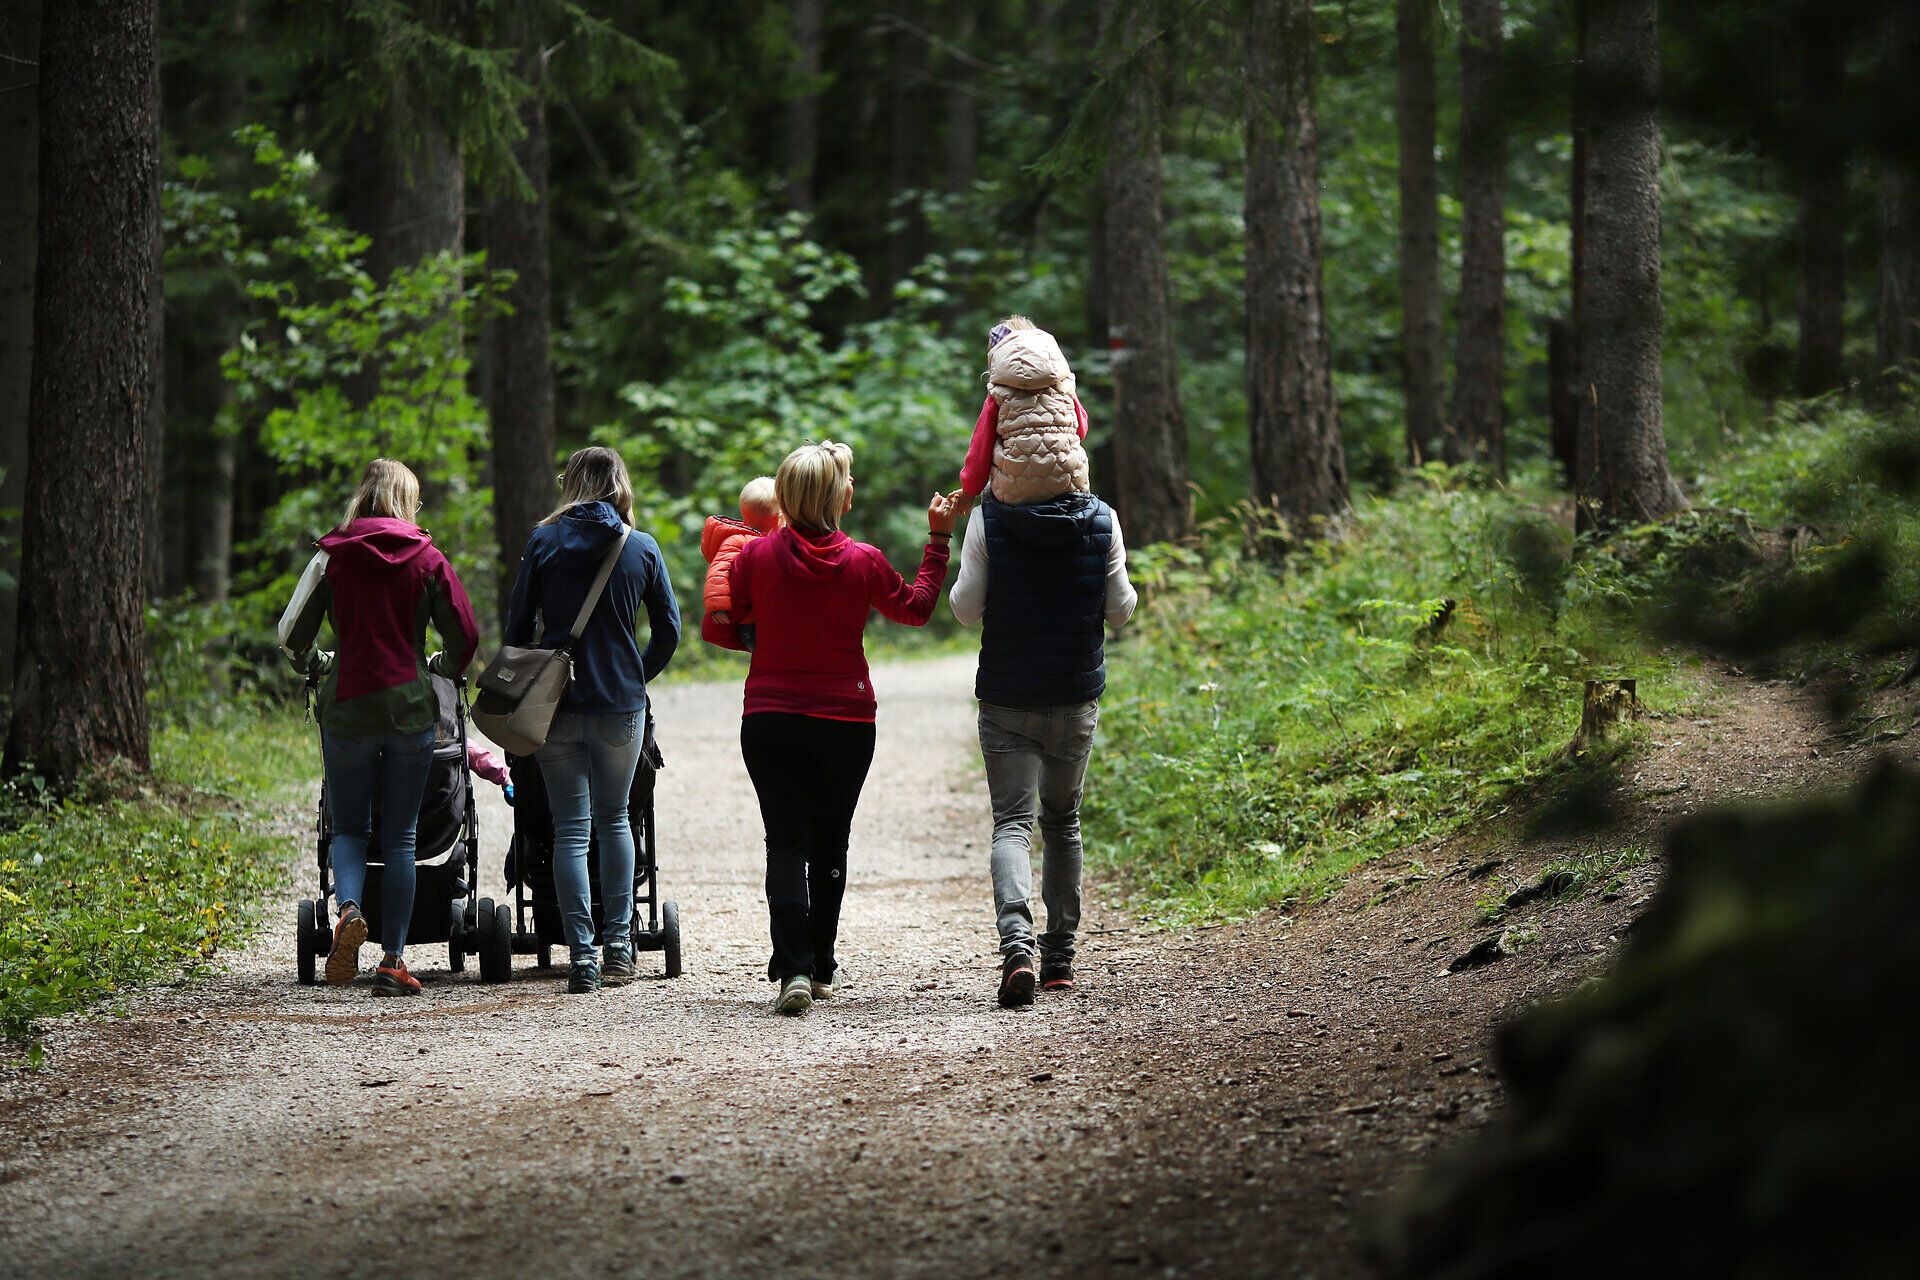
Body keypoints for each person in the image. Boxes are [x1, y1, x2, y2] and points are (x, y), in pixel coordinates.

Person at [709, 441, 957, 1016]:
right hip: (845, 721)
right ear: (839, 497)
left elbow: (727, 623)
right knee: (830, 843)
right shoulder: (864, 560)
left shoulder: (752, 558)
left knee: (785, 843)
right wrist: (938, 540)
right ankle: (820, 965)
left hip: (769, 717)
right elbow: (917, 609)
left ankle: (792, 968)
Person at [279, 458, 480, 997]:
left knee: (348, 828)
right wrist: (441, 666)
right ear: (406, 501)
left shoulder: (331, 556)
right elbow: (465, 633)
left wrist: (318, 663)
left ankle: (348, 911)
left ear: (363, 498)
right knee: (401, 838)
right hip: (410, 709)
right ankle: (392, 960)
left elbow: (291, 633)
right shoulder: (427, 557)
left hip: (347, 706)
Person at [947, 483, 1137, 1008]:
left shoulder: (989, 520)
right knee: (1062, 822)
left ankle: (1016, 948)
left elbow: (964, 609)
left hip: (1008, 697)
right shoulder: (1103, 518)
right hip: (1073, 698)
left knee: (1012, 823)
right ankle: (1059, 957)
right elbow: (1120, 610)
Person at [504, 447, 681, 994]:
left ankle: (582, 958)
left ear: (572, 485)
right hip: (619, 708)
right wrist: (634, 674)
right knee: (616, 822)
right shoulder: (640, 547)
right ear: (620, 485)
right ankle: (620, 950)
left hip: (555, 708)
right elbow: (669, 631)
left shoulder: (542, 542)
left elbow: (515, 630)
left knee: (570, 831)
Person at [956, 315, 1090, 508]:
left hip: (1013, 495)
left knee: (986, 512)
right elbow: (1081, 429)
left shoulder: (998, 394)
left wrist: (969, 491)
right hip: (1070, 485)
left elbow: (980, 450)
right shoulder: (1063, 385)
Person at [698, 475, 779, 645]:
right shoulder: (738, 540)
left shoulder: (761, 540)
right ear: (779, 518)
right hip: (751, 624)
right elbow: (717, 571)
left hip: (757, 617)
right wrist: (717, 606)